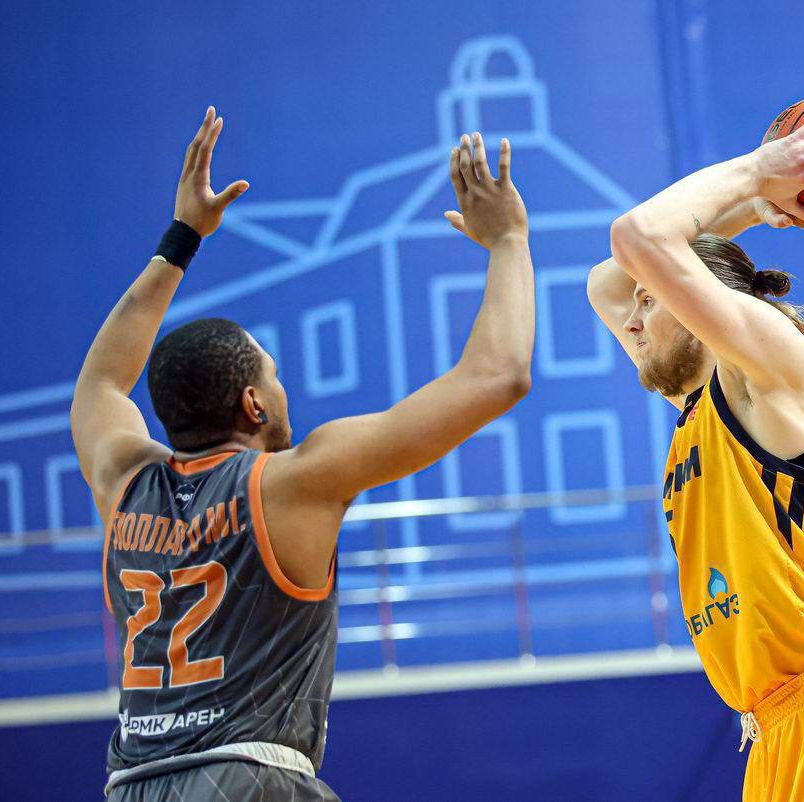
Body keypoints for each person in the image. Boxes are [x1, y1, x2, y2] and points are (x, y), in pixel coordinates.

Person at [70, 108, 533, 800]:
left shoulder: (122, 483)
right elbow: (500, 377)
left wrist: (182, 237)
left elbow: (103, 381)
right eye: (275, 376)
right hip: (247, 777)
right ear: (253, 405)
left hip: (131, 784)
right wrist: (509, 242)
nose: (283, 389)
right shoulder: (293, 483)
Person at [587, 112, 804, 801]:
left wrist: (758, 171)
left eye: (650, 300)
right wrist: (758, 207)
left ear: (701, 304)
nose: (630, 321)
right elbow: (608, 279)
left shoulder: (771, 369)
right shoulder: (700, 407)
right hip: (772, 735)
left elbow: (637, 237)